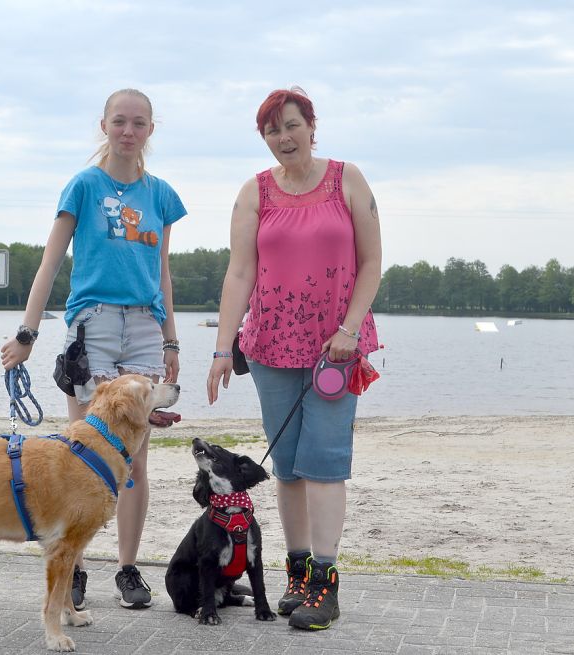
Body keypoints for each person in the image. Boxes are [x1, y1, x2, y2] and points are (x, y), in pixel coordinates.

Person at [0, 88, 186, 611]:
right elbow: (51, 261)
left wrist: (171, 338)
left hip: (146, 325)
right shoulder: (84, 185)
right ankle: (74, 568)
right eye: (120, 122)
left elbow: (163, 272)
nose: (129, 131)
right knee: (81, 453)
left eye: (139, 123)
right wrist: (27, 333)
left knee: (135, 461)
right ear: (103, 125)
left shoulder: (161, 195)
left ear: (152, 129)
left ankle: (127, 570)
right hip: (94, 322)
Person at [206, 87, 381, 631]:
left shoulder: (346, 179)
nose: (284, 138)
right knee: (287, 468)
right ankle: (298, 571)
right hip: (271, 346)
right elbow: (240, 273)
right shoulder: (254, 192)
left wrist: (350, 329)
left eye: (291, 125)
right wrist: (220, 348)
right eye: (272, 131)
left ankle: (325, 582)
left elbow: (373, 262)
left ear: (311, 126)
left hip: (336, 348)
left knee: (325, 463)